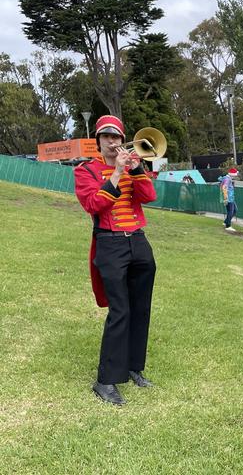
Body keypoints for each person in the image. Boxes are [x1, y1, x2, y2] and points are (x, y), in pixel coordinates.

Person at [73, 115, 157, 406]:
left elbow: (149, 196)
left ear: (123, 140)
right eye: (107, 137)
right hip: (109, 243)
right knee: (120, 310)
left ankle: (134, 366)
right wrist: (117, 173)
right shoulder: (86, 171)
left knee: (141, 308)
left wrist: (136, 169)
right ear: (98, 142)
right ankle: (105, 380)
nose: (113, 142)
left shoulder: (133, 166)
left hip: (138, 240)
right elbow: (93, 204)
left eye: (117, 137)